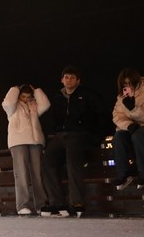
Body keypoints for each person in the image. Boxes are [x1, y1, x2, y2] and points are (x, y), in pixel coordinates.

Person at [40, 66, 106, 218]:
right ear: (62, 80)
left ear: (78, 80)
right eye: (66, 77)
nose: (68, 80)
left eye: (72, 77)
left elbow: (101, 115)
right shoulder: (58, 97)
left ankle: (76, 202)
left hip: (78, 134)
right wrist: (56, 130)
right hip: (60, 135)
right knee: (47, 161)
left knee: (73, 162)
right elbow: (53, 118)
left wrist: (96, 136)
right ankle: (57, 202)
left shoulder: (87, 95)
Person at [111, 68, 144, 191]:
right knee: (118, 137)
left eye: (130, 83)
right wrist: (129, 125)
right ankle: (122, 173)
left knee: (139, 136)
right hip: (133, 129)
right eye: (125, 84)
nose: (127, 86)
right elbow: (117, 116)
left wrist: (133, 109)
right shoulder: (121, 98)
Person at [1, 84, 51, 215]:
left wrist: (36, 90)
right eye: (23, 96)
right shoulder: (12, 108)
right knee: (21, 173)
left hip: (35, 141)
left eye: (28, 97)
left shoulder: (33, 105)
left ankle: (41, 204)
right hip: (18, 142)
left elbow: (45, 104)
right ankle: (22, 205)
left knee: (37, 173)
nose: (25, 99)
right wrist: (15, 88)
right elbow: (8, 101)